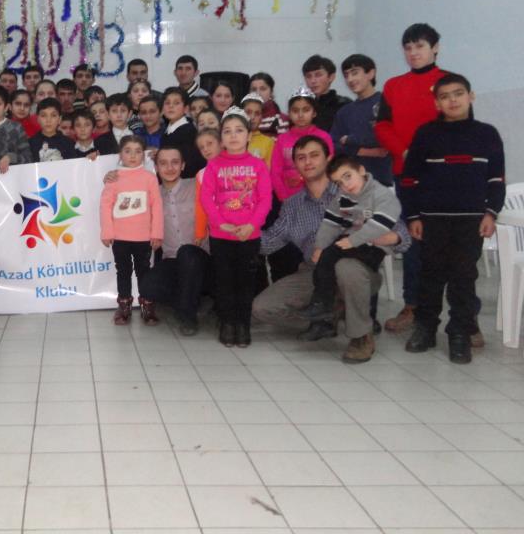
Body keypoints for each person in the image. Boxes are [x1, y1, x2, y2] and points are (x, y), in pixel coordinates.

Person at [252, 135, 411, 363]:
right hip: (313, 272)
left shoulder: (353, 190)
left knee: (346, 267)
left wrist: (391, 237)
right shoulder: (292, 206)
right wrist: (233, 235)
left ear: (328, 158)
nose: (308, 162)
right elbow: (269, 242)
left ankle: (361, 337)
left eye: (314, 155)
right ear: (295, 165)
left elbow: (402, 234)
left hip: (356, 270)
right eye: (301, 158)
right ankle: (330, 315)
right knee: (262, 308)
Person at [401, 74, 505, 364]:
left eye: (458, 93)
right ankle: (425, 328)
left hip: (470, 221)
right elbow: (409, 180)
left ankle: (459, 332)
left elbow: (496, 180)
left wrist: (491, 213)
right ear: (437, 103)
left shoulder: (487, 134)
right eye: (445, 96)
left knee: (463, 277)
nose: (452, 100)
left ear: (470, 96)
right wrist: (413, 216)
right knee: (430, 275)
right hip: (431, 220)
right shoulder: (426, 134)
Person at [375, 23, 448, 332]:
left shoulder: (448, 83)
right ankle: (412, 306)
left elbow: (459, 125)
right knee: (414, 241)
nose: (413, 52)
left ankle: (464, 318)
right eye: (408, 47)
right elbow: (382, 126)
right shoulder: (393, 86)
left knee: (451, 245)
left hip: (445, 176)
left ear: (435, 48)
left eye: (420, 46)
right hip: (407, 174)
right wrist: (404, 152)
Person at [293, 155, 401, 321]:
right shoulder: (343, 196)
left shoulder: (382, 194)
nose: (346, 185)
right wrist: (320, 246)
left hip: (374, 247)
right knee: (326, 257)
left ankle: (324, 303)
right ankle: (326, 305)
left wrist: (351, 241)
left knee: (330, 256)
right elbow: (330, 223)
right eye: (339, 183)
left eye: (348, 176)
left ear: (361, 170)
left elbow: (379, 226)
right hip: (355, 241)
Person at [199, 107, 272, 348]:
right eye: (227, 131)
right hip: (221, 235)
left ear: (249, 135)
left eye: (239, 130)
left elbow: (265, 199)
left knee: (245, 282)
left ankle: (243, 325)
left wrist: (252, 225)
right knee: (224, 282)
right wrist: (220, 223)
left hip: (249, 236)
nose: (233, 136)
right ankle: (227, 323)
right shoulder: (214, 165)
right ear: (221, 137)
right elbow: (206, 197)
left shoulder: (258, 165)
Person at [139, 144, 210, 336]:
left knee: (187, 252)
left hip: (202, 259)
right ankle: (192, 300)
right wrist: (111, 175)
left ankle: (188, 317)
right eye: (163, 163)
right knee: (147, 287)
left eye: (175, 162)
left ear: (183, 165)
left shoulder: (197, 186)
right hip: (172, 260)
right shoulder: (152, 195)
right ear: (156, 167)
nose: (169, 168)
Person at [100, 135, 163, 325]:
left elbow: (157, 206)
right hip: (120, 237)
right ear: (120, 154)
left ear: (143, 155)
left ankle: (147, 305)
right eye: (128, 151)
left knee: (144, 271)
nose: (133, 156)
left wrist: (157, 233)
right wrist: (107, 232)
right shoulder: (113, 178)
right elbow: (105, 206)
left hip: (144, 237)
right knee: (123, 271)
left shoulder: (150, 178)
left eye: (137, 151)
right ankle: (124, 305)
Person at [331, 54, 392, 186]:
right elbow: (334, 145)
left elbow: (384, 138)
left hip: (385, 179)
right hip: (353, 184)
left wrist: (349, 140)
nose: (350, 79)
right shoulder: (344, 112)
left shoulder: (387, 103)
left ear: (370, 73)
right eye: (346, 75)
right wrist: (363, 151)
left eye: (355, 73)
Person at [271, 87, 334, 202]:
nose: (300, 115)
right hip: (289, 198)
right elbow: (275, 172)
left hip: (320, 196)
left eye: (306, 110)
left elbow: (329, 168)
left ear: (314, 112)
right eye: (295, 111)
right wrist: (284, 198)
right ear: (289, 113)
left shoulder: (324, 137)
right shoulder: (282, 139)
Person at [160, 87, 206, 178]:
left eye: (176, 103)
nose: (171, 106)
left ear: (186, 109)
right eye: (167, 103)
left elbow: (190, 164)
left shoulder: (189, 132)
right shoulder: (166, 132)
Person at [302, 55, 350, 131]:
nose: (313, 81)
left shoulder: (343, 105)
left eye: (318, 75)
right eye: (308, 76)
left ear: (331, 77)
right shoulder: (302, 106)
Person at [30, 98, 75, 162]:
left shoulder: (69, 144)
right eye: (43, 115)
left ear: (59, 119)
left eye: (53, 115)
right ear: (37, 119)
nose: (48, 120)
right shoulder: (30, 144)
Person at [241, 93, 274, 168]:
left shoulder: (268, 142)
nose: (252, 117)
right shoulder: (233, 138)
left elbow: (268, 170)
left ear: (262, 117)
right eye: (248, 112)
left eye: (257, 113)